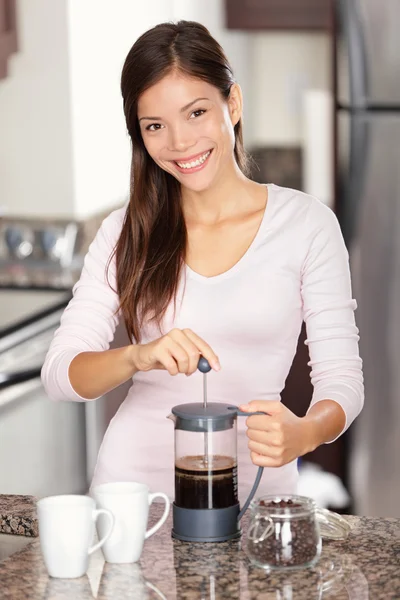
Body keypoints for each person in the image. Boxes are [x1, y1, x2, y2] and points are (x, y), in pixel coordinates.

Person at [41, 20, 364, 500]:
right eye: (155, 126)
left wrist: (305, 432)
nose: (179, 142)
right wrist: (137, 355)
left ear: (231, 105)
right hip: (130, 500)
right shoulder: (126, 231)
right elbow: (60, 374)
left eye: (195, 112)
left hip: (258, 495)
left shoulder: (307, 225)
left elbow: (342, 381)